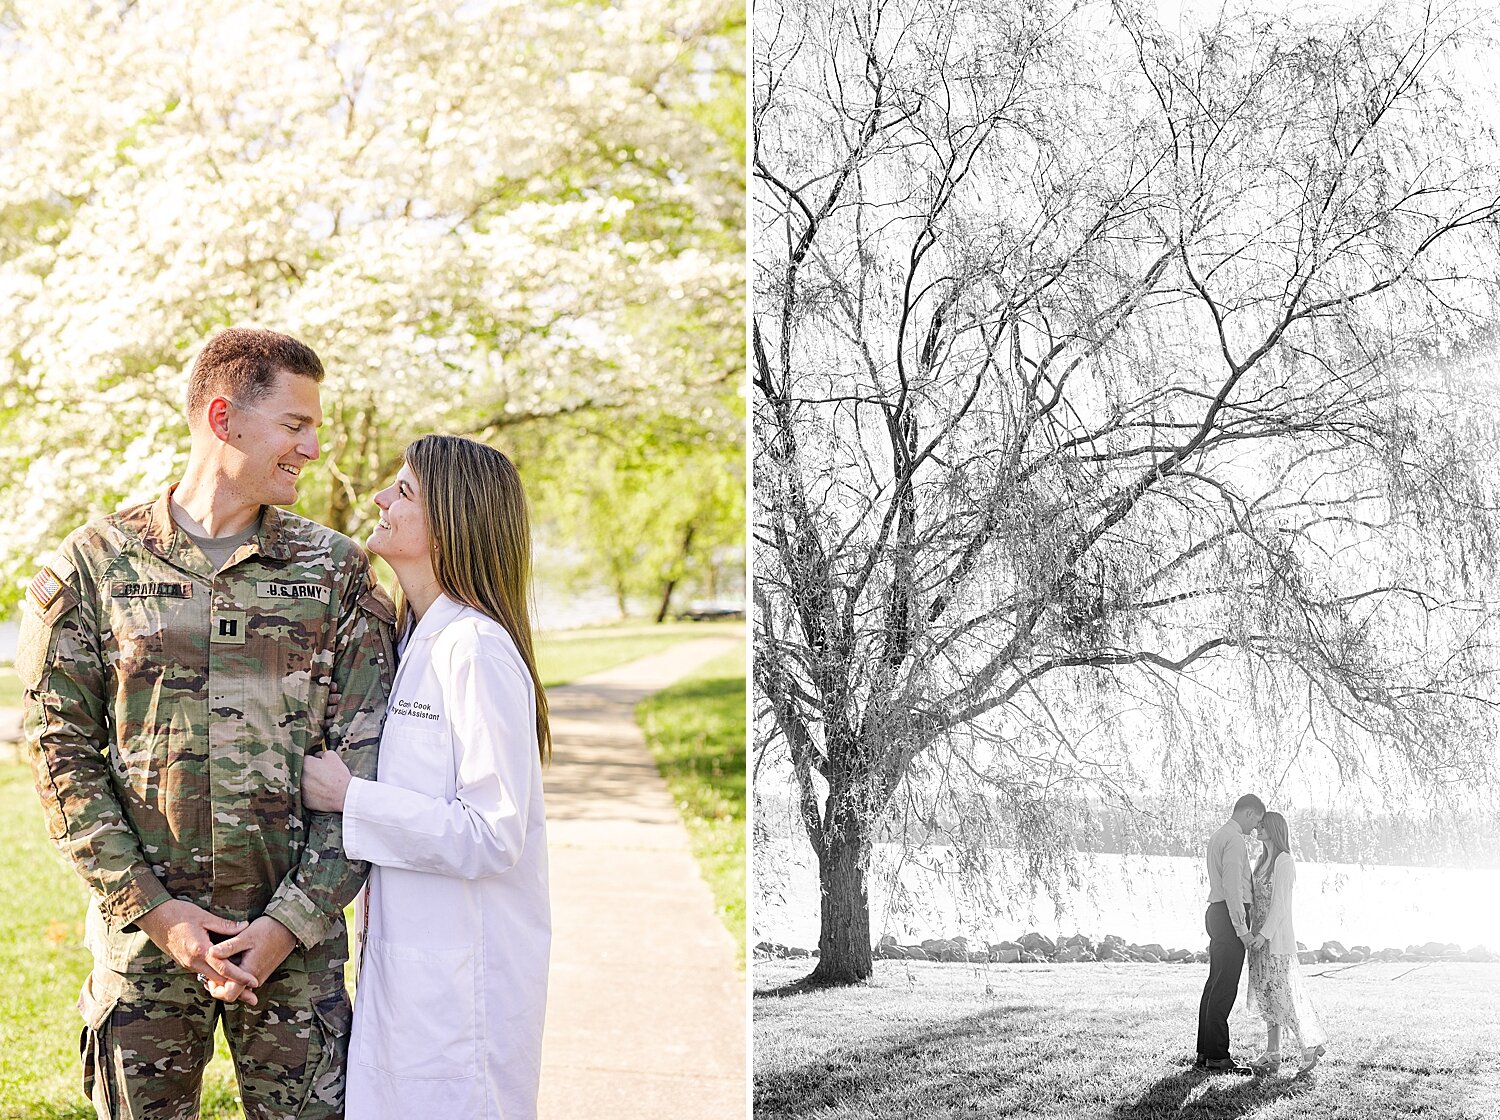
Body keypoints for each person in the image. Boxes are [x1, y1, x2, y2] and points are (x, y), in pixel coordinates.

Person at [19, 327, 396, 1119]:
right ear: (223, 419)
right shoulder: (92, 567)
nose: (315, 447)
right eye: (295, 426)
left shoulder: (335, 572)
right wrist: (158, 915)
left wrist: (290, 923)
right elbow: (60, 755)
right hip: (143, 950)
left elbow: (367, 760)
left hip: (296, 954)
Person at [300, 434, 551, 1120]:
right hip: (409, 973)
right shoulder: (413, 639)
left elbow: (494, 833)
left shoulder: (476, 650)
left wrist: (350, 799)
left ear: (453, 522)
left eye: (403, 491)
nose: (379, 498)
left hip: (460, 988)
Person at [1247, 810, 1329, 1073]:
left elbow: (1280, 905)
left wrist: (1263, 935)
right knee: (1267, 998)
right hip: (1258, 940)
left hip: (1274, 940)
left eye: (1262, 825)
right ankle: (1273, 1053)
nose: (1257, 829)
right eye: (1257, 825)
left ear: (1274, 828)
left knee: (1283, 997)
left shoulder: (1284, 861)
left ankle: (1309, 1045)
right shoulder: (1261, 860)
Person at [1195, 793, 1265, 1072]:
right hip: (1228, 916)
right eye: (1257, 821)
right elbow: (1234, 889)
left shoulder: (1219, 835)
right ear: (1249, 813)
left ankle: (1205, 1053)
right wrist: (1243, 931)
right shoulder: (1235, 840)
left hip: (1216, 912)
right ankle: (1218, 1057)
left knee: (1214, 985)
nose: (1256, 829)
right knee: (1224, 988)